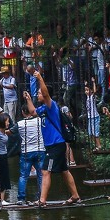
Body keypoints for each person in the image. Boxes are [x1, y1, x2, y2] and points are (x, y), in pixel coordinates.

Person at [25, 69, 81, 205]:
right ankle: (75, 196)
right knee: (64, 171)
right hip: (54, 145)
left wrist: (40, 78)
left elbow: (45, 93)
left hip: (56, 144)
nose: (37, 95)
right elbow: (32, 112)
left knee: (45, 170)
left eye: (38, 93)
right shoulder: (43, 109)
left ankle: (42, 200)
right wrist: (27, 99)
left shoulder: (51, 106)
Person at [16, 101, 45, 204]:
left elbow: (10, 132)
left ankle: (21, 198)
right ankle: (41, 197)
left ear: (23, 112)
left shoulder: (19, 124)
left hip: (26, 152)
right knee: (41, 175)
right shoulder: (39, 120)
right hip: (40, 150)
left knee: (23, 176)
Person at [83, 80, 102, 151]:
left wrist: (93, 82)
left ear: (91, 91)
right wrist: (86, 84)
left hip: (95, 117)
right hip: (90, 117)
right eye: (85, 90)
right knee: (90, 132)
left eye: (87, 90)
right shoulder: (87, 98)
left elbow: (95, 91)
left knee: (95, 132)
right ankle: (96, 146)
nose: (86, 92)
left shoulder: (92, 97)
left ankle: (99, 146)